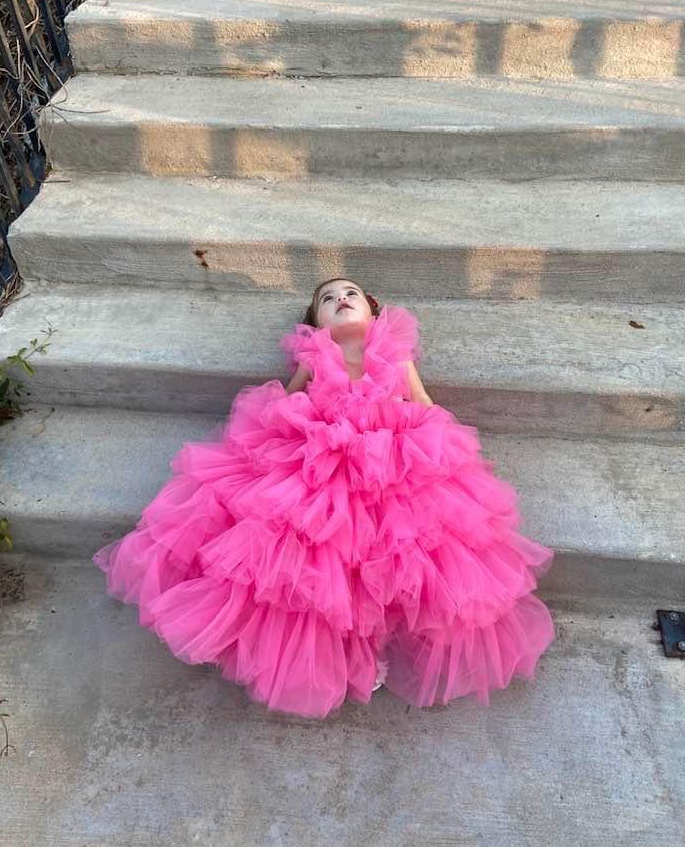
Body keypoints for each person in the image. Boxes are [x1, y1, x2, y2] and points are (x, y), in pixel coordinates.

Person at [93, 278, 556, 718]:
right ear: (316, 322)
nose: (341, 300)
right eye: (328, 299)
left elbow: (423, 402)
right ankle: (345, 646)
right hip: (321, 459)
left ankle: (378, 639)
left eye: (351, 293)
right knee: (319, 553)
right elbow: (285, 401)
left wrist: (444, 447)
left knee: (395, 549)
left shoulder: (394, 352)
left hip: (392, 458)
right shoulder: (317, 354)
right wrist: (284, 426)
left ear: (372, 311)